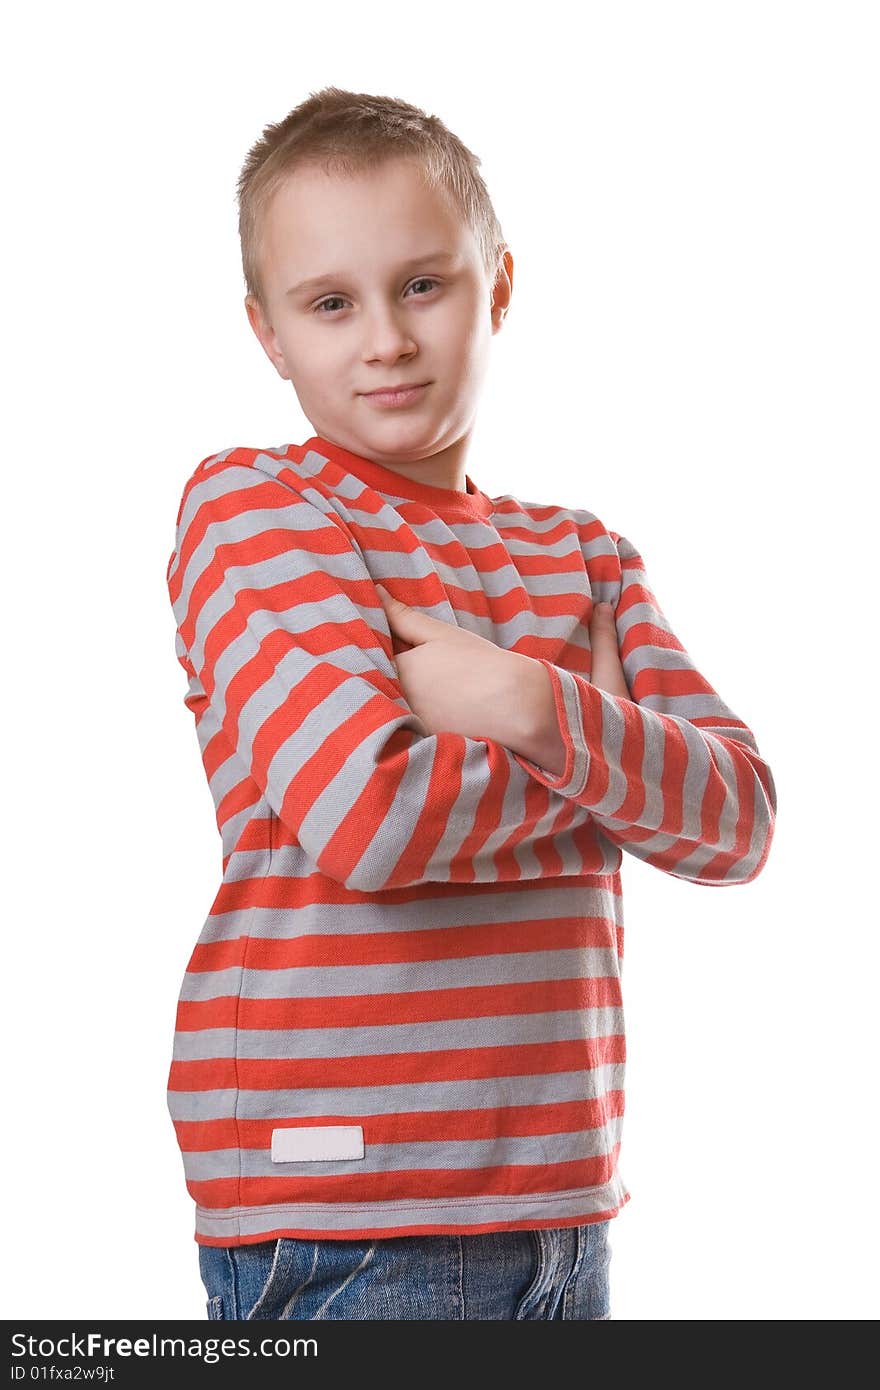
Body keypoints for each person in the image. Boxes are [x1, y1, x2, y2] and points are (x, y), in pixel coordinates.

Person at [165, 86, 777, 1322]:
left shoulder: (585, 556)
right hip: (345, 1204)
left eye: (423, 285)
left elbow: (735, 821)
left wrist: (518, 701)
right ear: (267, 333)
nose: (383, 337)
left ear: (498, 286)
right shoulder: (260, 511)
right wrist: (606, 757)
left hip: (561, 1199)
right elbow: (368, 817)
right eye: (329, 304)